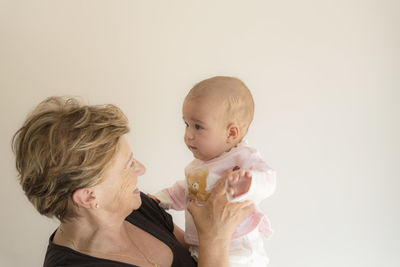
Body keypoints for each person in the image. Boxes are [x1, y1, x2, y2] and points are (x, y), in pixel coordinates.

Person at [12, 96, 254, 267]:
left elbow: (197, 255)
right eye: (129, 165)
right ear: (88, 196)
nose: (141, 169)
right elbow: (211, 248)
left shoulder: (137, 208)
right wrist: (215, 239)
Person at [151, 76, 276, 267]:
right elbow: (185, 190)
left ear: (231, 133)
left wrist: (249, 184)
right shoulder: (198, 166)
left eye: (198, 126)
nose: (188, 135)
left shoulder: (242, 156)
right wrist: (160, 199)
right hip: (201, 247)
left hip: (238, 249)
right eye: (186, 124)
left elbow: (268, 180)